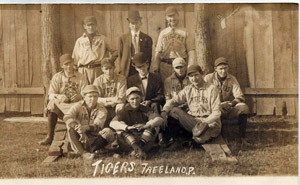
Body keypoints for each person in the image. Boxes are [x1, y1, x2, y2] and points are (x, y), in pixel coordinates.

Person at [161, 65, 221, 144]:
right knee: (174, 110)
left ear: (202, 74)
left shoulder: (212, 89)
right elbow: (174, 101)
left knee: (199, 139)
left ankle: (191, 138)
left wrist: (205, 121)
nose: (194, 78)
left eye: (196, 75)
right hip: (194, 121)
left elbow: (217, 112)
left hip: (210, 122)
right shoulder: (188, 89)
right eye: (191, 76)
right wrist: (164, 111)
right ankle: (188, 137)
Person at [38, 53, 87, 146]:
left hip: (75, 107)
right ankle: (50, 136)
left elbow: (86, 93)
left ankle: (80, 135)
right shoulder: (57, 77)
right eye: (66, 64)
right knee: (52, 104)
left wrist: (80, 96)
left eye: (70, 63)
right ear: (62, 66)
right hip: (62, 107)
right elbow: (51, 94)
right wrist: (60, 96)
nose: (69, 66)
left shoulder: (81, 77)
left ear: (74, 63)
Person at [110, 87, 164, 159]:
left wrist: (147, 125)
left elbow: (160, 119)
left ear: (141, 98)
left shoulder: (145, 109)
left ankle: (137, 149)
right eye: (132, 99)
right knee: (120, 126)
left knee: (154, 125)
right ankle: (138, 150)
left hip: (144, 139)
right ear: (128, 99)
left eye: (137, 98)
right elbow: (112, 123)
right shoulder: (124, 109)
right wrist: (127, 127)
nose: (135, 101)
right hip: (129, 141)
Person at [64, 85, 116, 159]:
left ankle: (87, 151)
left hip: (94, 137)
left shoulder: (102, 109)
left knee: (108, 132)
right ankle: (84, 153)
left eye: (95, 96)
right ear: (84, 97)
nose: (93, 99)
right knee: (70, 126)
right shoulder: (78, 106)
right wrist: (78, 128)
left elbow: (98, 126)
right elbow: (67, 116)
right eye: (90, 96)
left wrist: (85, 128)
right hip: (80, 136)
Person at [204, 57, 249, 138]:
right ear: (215, 69)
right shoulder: (208, 78)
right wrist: (219, 104)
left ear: (228, 68)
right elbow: (204, 97)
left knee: (243, 107)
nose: (223, 71)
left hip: (226, 108)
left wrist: (231, 103)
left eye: (225, 68)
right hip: (212, 109)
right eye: (221, 69)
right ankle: (217, 135)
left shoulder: (232, 79)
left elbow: (240, 96)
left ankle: (242, 137)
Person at [152, 6, 196, 82]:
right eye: (169, 16)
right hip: (165, 66)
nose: (172, 19)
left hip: (180, 66)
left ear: (178, 16)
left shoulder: (185, 32)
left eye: (174, 15)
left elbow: (191, 51)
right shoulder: (163, 33)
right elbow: (158, 52)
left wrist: (189, 67)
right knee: (166, 88)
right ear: (166, 18)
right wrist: (156, 68)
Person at [72, 16, 118, 84]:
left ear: (96, 25)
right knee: (84, 90)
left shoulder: (103, 39)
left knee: (97, 89)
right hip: (83, 70)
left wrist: (108, 62)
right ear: (84, 26)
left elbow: (115, 52)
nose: (91, 27)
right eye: (88, 25)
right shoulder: (80, 40)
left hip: (97, 69)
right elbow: (75, 58)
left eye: (93, 25)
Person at [160, 57, 190, 146]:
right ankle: (174, 139)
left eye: (181, 67)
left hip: (189, 106)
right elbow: (168, 98)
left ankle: (187, 138)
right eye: (177, 67)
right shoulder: (168, 81)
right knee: (172, 115)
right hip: (174, 106)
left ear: (185, 67)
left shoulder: (191, 78)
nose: (180, 70)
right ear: (173, 68)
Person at [117, 10, 153, 78]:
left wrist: (146, 69)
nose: (135, 26)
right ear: (129, 25)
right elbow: (120, 56)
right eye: (132, 23)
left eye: (137, 23)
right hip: (127, 69)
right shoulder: (123, 39)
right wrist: (121, 70)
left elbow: (149, 57)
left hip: (141, 68)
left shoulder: (147, 39)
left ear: (141, 23)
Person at [93, 58, 127, 127]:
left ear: (114, 67)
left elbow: (121, 98)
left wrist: (110, 101)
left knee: (121, 106)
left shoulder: (121, 79)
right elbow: (96, 98)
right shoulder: (98, 80)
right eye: (106, 69)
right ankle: (97, 128)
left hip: (116, 106)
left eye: (110, 68)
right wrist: (112, 100)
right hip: (103, 105)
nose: (108, 71)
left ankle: (118, 125)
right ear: (102, 69)